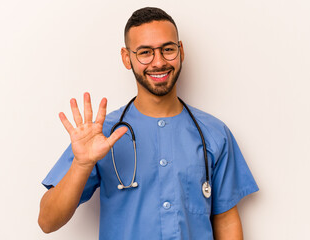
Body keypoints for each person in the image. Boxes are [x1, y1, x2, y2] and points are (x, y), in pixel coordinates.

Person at [38, 7, 259, 240]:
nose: (159, 62)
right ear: (127, 57)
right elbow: (47, 222)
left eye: (168, 49)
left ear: (181, 51)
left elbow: (225, 220)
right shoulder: (101, 135)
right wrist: (82, 165)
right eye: (145, 52)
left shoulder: (214, 134)